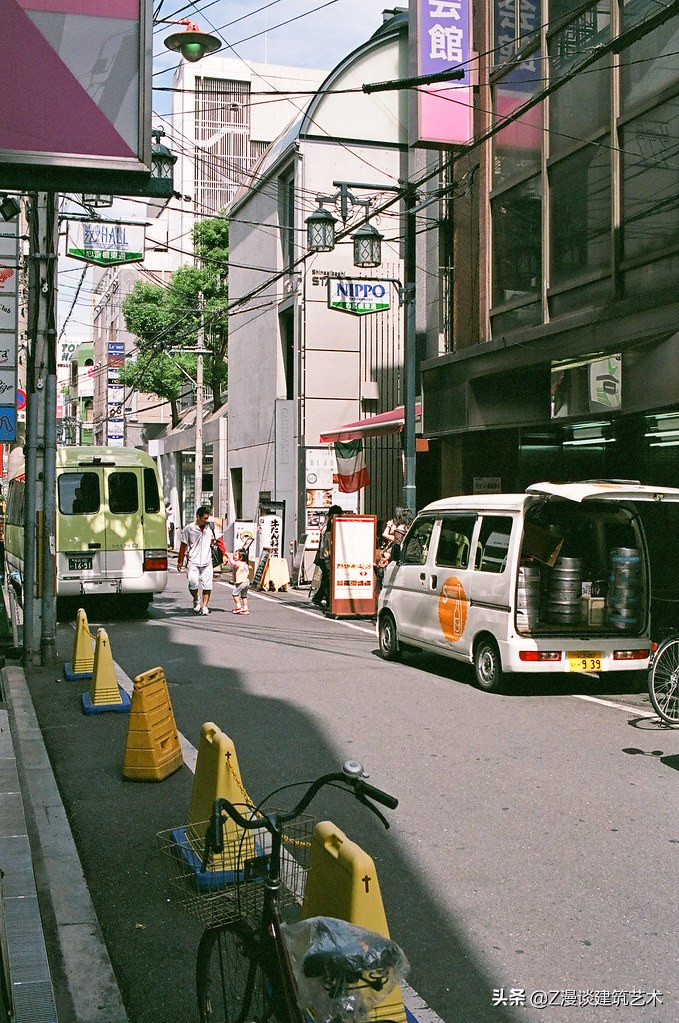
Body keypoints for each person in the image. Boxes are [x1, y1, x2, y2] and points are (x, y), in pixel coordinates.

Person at [176, 505, 225, 615]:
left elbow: (219, 541)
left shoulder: (211, 527)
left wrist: (225, 554)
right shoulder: (189, 529)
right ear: (198, 517)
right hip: (193, 561)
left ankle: (204, 606)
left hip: (207, 562)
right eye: (205, 518)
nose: (207, 520)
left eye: (208, 518)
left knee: (207, 585)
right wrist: (180, 561)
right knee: (192, 584)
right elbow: (183, 546)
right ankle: (196, 598)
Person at [311, 504, 342, 608]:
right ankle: (328, 601)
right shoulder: (330, 526)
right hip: (327, 557)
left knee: (326, 579)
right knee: (328, 580)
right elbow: (328, 544)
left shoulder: (327, 525)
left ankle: (318, 598)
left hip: (323, 556)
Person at [225, 548, 251, 614]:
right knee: (244, 596)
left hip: (241, 582)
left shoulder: (239, 563)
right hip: (247, 582)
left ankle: (238, 606)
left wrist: (228, 557)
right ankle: (245, 608)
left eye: (236, 555)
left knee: (235, 594)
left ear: (241, 557)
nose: (234, 556)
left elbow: (234, 564)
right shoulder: (245, 564)